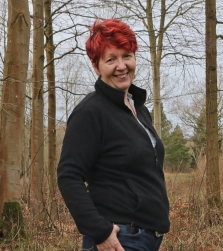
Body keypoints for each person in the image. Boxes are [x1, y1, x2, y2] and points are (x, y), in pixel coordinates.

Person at [57, 19, 170, 251]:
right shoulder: (91, 112)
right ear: (96, 66)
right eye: (111, 59)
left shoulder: (138, 109)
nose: (121, 66)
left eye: (126, 55)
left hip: (145, 238)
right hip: (120, 239)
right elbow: (69, 176)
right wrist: (100, 231)